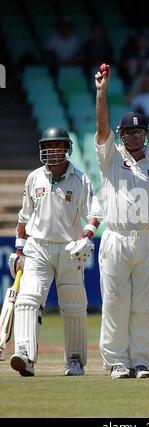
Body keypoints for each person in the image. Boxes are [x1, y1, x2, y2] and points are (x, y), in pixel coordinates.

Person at [94, 66, 149, 379]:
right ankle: (116, 361)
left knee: (143, 303)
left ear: (146, 134)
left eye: (139, 131)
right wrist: (101, 92)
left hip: (147, 239)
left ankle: (140, 361)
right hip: (115, 237)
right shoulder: (110, 158)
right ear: (122, 134)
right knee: (115, 302)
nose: (135, 135)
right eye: (129, 132)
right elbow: (101, 128)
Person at [8, 127, 102, 377]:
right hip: (37, 247)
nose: (52, 151)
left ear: (67, 149)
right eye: (48, 147)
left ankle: (75, 360)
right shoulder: (34, 178)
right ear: (42, 150)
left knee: (73, 305)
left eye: (58, 147)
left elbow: (94, 214)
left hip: (70, 248)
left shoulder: (80, 179)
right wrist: (19, 251)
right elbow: (23, 218)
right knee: (28, 300)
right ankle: (25, 355)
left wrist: (85, 237)